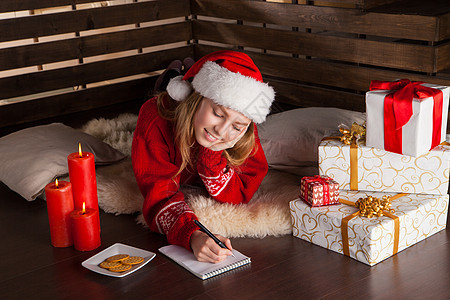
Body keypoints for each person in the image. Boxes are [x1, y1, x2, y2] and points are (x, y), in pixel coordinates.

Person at [132, 50, 275, 263]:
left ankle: (186, 67)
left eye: (237, 126)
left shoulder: (242, 130)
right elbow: (158, 192)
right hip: (172, 104)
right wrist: (192, 234)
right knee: (168, 86)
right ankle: (173, 74)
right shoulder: (154, 116)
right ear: (196, 98)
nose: (221, 131)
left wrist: (213, 151)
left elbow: (239, 195)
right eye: (218, 113)